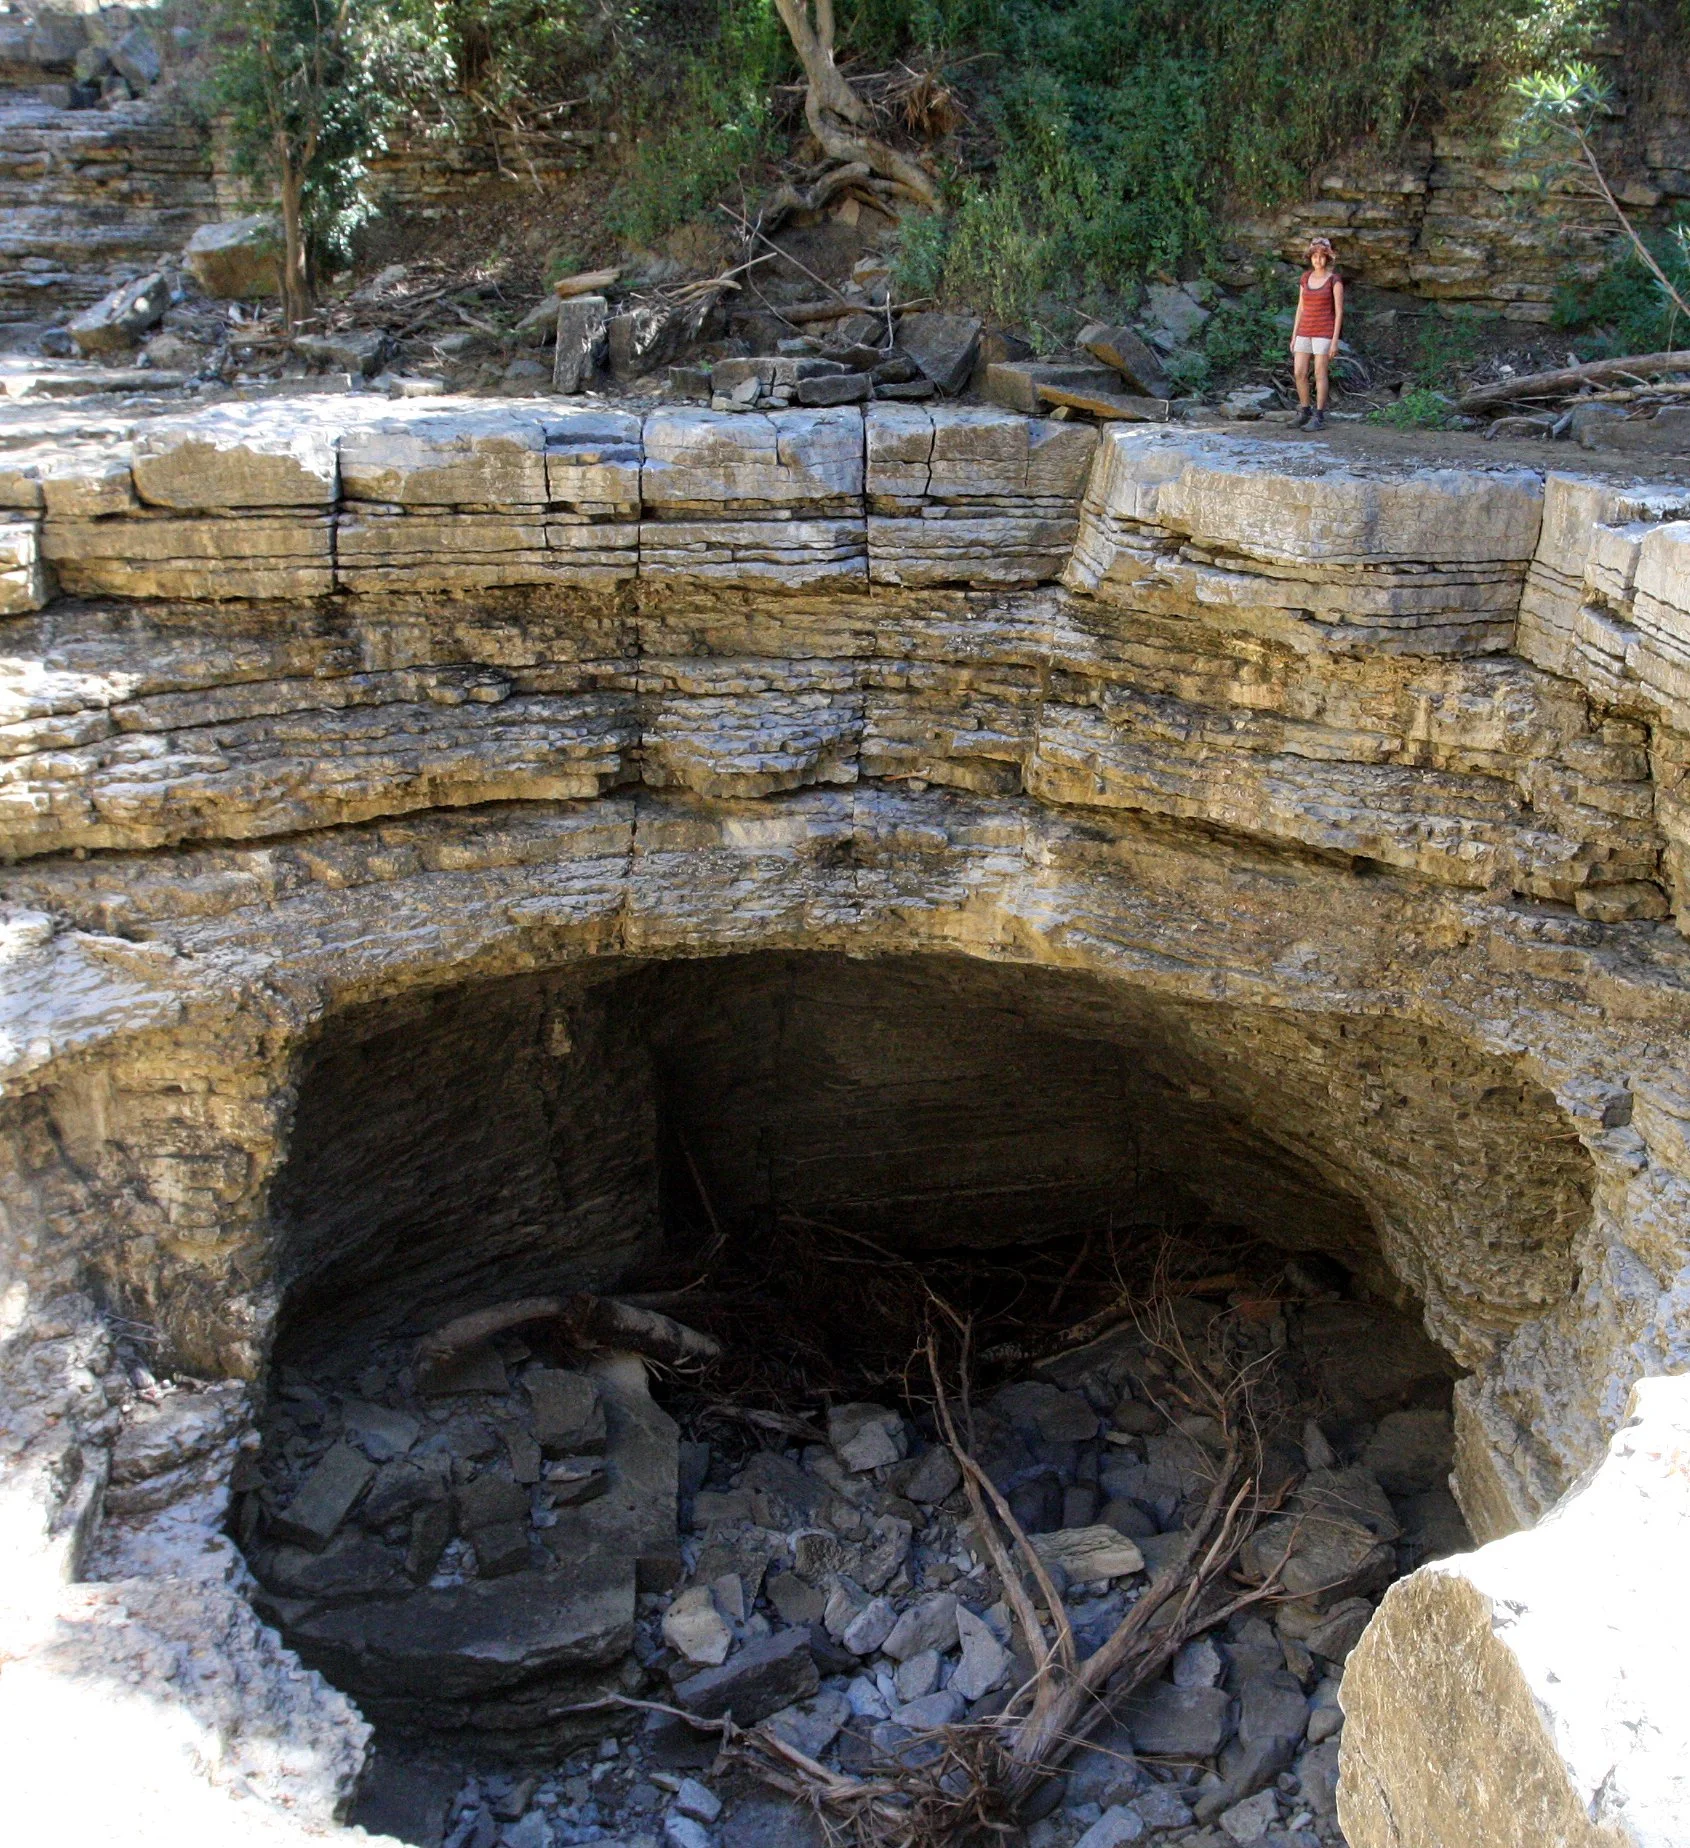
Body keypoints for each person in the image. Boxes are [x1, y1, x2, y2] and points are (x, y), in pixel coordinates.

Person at [1290, 237, 1344, 431]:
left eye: (1321, 256)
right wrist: (1294, 334)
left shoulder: (1334, 280)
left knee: (1320, 373)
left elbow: (1339, 312)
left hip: (1324, 332)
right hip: (1305, 329)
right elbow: (1300, 307)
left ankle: (1319, 416)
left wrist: (1334, 341)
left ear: (1327, 258)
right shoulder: (1305, 278)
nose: (1317, 260)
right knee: (1299, 372)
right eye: (1314, 256)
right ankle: (1305, 411)